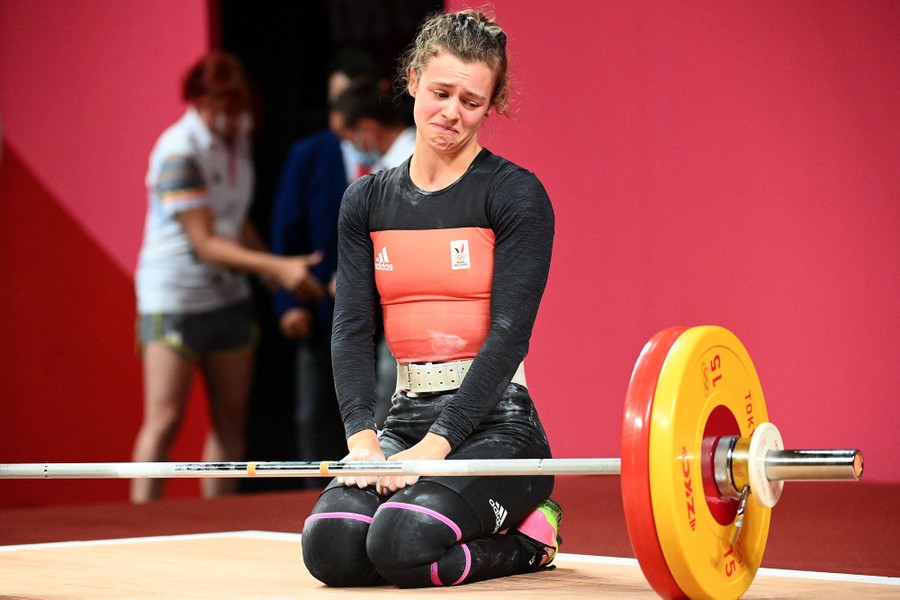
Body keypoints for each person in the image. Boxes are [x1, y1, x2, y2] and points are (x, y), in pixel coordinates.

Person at [301, 9, 561, 588]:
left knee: (403, 543)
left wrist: (437, 446)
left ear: (491, 105)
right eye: (441, 93)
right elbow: (351, 328)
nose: (452, 113)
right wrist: (363, 442)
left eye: (471, 101)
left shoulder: (515, 195)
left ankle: (532, 538)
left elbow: (509, 336)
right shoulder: (365, 201)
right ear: (413, 79)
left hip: (497, 426)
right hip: (404, 415)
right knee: (332, 547)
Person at [132, 51, 324, 503]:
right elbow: (205, 243)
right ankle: (139, 522)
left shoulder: (237, 139)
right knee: (164, 419)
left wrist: (274, 274)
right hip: (175, 298)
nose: (233, 113)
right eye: (223, 102)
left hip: (229, 296)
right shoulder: (179, 150)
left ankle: (218, 521)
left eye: (239, 103)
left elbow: (234, 222)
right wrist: (277, 268)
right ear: (200, 99)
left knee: (232, 421)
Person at [269, 50, 388, 468]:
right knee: (315, 410)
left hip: (388, 311)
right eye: (335, 100)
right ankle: (316, 493)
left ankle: (380, 485)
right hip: (322, 307)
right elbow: (285, 229)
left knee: (384, 405)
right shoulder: (309, 153)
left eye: (352, 97)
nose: (342, 110)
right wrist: (287, 302)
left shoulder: (400, 154)